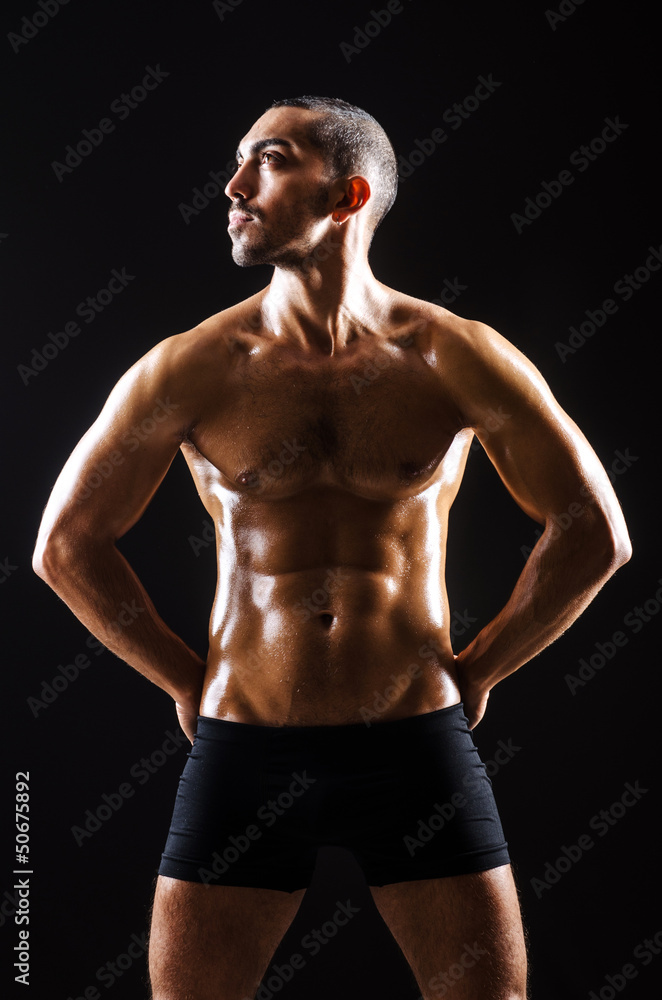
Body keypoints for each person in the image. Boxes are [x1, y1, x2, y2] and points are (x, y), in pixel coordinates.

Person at [33, 96, 631, 1000]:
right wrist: (183, 681)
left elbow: (595, 532)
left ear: (348, 195)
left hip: (414, 741)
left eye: (267, 161)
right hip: (246, 741)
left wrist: (483, 671)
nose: (233, 186)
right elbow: (65, 544)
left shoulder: (452, 355)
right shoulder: (195, 364)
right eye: (238, 162)